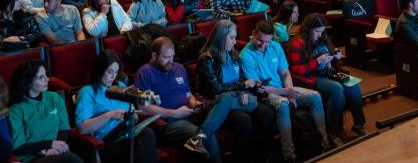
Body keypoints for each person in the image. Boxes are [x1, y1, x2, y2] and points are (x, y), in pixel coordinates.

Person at [135, 36, 244, 162]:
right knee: (209, 138)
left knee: (226, 99)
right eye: (166, 57)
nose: (171, 61)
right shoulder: (144, 73)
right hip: (169, 122)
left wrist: (194, 105)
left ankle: (202, 133)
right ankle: (202, 136)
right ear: (154, 56)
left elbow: (188, 95)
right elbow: (142, 108)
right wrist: (175, 113)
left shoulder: (179, 68)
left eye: (172, 56)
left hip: (190, 114)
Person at [240, 20, 330, 162]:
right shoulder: (246, 55)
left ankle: (323, 143)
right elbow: (260, 87)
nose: (263, 45)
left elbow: (285, 74)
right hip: (266, 94)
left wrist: (289, 91)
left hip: (284, 88)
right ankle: (289, 154)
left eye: (267, 42)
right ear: (253, 34)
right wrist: (286, 93)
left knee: (315, 96)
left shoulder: (275, 46)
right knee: (282, 104)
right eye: (260, 41)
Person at [195, 20, 277, 162]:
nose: (235, 41)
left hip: (238, 97)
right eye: (232, 38)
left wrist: (248, 89)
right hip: (219, 103)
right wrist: (242, 87)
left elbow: (242, 79)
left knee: (266, 111)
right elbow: (215, 89)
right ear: (221, 37)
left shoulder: (234, 54)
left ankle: (265, 156)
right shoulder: (207, 59)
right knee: (243, 120)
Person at [287, 14, 366, 141]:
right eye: (317, 31)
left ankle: (359, 124)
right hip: (310, 77)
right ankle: (333, 132)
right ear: (308, 29)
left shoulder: (322, 37)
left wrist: (335, 57)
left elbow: (331, 57)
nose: (320, 34)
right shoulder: (297, 43)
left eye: (322, 31)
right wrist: (317, 62)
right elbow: (296, 70)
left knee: (354, 84)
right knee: (336, 89)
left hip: (328, 72)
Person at [7, 60, 80, 162]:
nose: (47, 79)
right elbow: (19, 147)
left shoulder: (54, 98)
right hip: (32, 159)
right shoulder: (15, 110)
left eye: (46, 75)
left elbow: (64, 129)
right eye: (41, 77)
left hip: (57, 153)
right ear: (28, 82)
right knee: (72, 160)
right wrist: (49, 144)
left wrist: (54, 149)